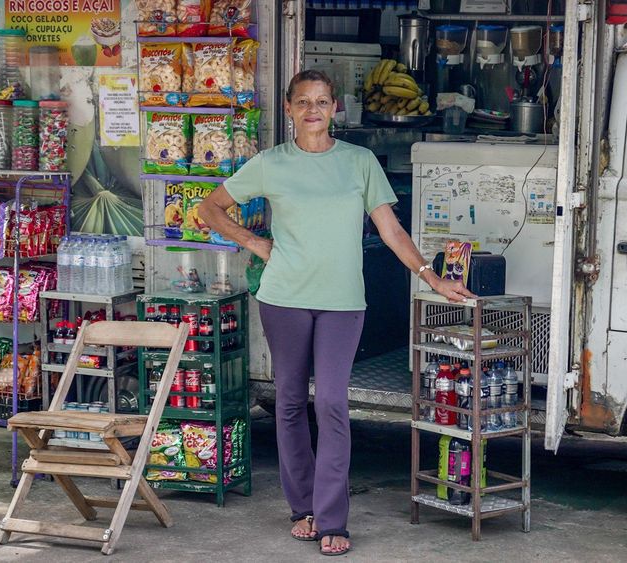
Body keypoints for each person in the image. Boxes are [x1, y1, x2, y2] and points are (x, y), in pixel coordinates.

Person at [199, 69, 475, 556]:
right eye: (303, 101)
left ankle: (332, 518)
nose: (312, 110)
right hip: (283, 297)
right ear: (288, 109)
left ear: (334, 110)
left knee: (330, 402)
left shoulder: (359, 162)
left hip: (343, 302)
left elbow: (391, 232)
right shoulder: (270, 163)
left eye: (322, 101)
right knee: (288, 402)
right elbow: (211, 207)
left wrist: (432, 278)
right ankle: (301, 507)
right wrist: (256, 242)